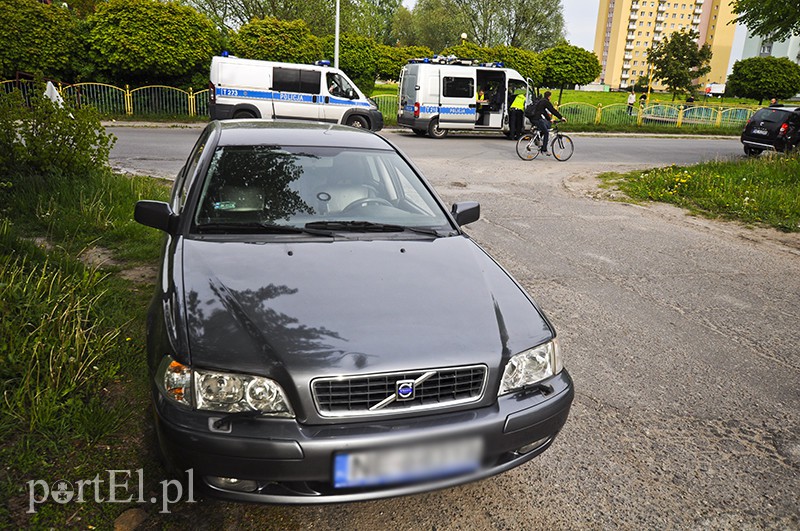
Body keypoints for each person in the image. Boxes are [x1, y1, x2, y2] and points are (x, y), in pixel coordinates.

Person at [529, 91, 565, 155]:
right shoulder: (546, 102)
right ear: (549, 96)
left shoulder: (541, 101)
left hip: (532, 118)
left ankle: (538, 139)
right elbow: (553, 110)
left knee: (546, 125)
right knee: (546, 132)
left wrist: (549, 119)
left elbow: (544, 112)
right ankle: (544, 150)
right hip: (537, 119)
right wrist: (561, 117)